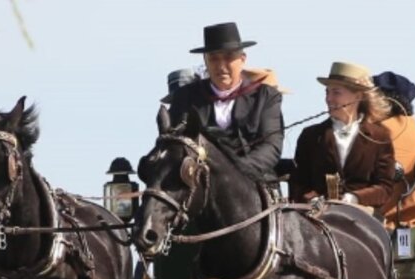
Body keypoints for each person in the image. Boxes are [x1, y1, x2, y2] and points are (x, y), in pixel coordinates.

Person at [164, 22, 284, 182]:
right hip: (199, 181)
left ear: (242, 59)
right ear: (205, 61)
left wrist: (237, 171)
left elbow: (271, 145)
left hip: (252, 179)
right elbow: (173, 143)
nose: (221, 66)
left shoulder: (266, 96)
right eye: (214, 59)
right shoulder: (185, 97)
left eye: (228, 57)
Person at [289, 61, 395, 211]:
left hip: (362, 216)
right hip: (317, 216)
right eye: (327, 92)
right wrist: (313, 200)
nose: (328, 98)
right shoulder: (311, 136)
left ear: (357, 96)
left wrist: (354, 198)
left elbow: (385, 188)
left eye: (336, 92)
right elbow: (298, 182)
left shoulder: (379, 137)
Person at [370, 71, 415, 224]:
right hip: (411, 218)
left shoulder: (384, 131)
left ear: (385, 102)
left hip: (386, 222)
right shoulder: (410, 126)